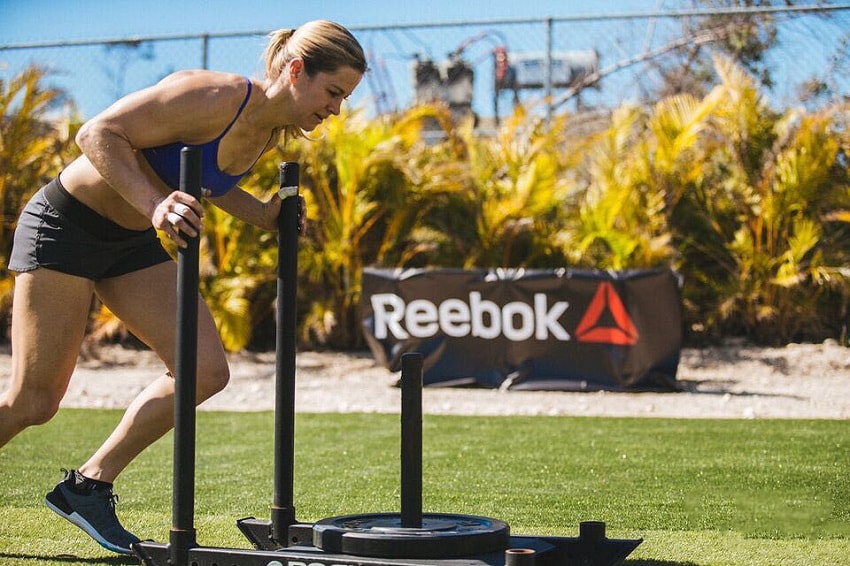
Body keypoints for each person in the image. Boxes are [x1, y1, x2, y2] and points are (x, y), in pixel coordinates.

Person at [0, 20, 366, 555]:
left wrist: (263, 214)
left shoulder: (267, 130)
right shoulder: (212, 96)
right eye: (333, 92)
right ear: (295, 71)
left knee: (202, 370)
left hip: (129, 245)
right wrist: (155, 205)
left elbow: (208, 181)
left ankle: (87, 486)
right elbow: (96, 134)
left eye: (344, 98)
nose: (336, 109)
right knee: (34, 400)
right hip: (67, 227)